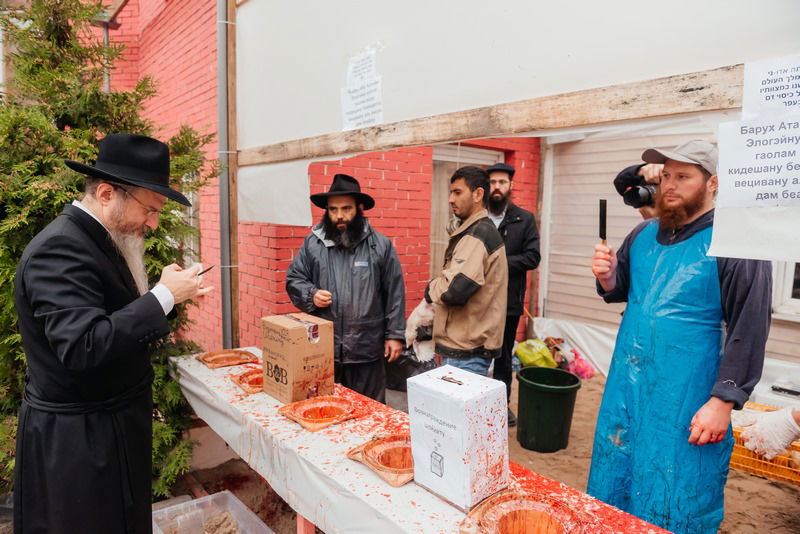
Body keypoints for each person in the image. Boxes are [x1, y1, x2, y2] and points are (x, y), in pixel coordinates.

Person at [13, 134, 211, 534]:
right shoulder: (60, 249)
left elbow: (114, 318)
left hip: (107, 430)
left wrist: (162, 299)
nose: (154, 223)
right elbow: (83, 346)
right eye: (150, 209)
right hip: (80, 446)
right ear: (106, 192)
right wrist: (161, 298)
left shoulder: (96, 240)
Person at [587, 140, 772, 534]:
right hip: (627, 387)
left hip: (688, 392)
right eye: (666, 176)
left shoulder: (736, 242)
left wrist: (724, 399)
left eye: (683, 177)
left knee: (677, 488)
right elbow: (622, 289)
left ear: (714, 183)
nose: (670, 185)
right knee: (615, 479)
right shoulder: (642, 234)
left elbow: (750, 325)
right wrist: (606, 277)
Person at [286, 174, 405, 403]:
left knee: (369, 411)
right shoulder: (313, 244)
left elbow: (394, 292)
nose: (339, 215)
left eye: (346, 208)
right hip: (324, 350)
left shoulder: (380, 245)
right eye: (333, 209)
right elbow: (294, 278)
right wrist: (311, 295)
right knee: (328, 409)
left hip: (367, 350)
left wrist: (395, 335)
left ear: (359, 209)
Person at [425, 166, 508, 376]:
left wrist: (431, 288)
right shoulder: (472, 231)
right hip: (462, 349)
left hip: (467, 354)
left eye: (458, 192)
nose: (451, 199)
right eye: (450, 192)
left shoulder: (478, 235)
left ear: (478, 194)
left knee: (452, 409)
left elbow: (454, 289)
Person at [484, 162, 540, 426]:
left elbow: (532, 257)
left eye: (502, 182)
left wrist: (499, 262)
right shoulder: (478, 218)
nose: (497, 187)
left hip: (508, 302)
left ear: (510, 186)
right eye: (493, 182)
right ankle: (477, 403)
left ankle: (500, 407)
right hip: (478, 302)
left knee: (503, 355)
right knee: (477, 353)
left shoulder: (523, 219)